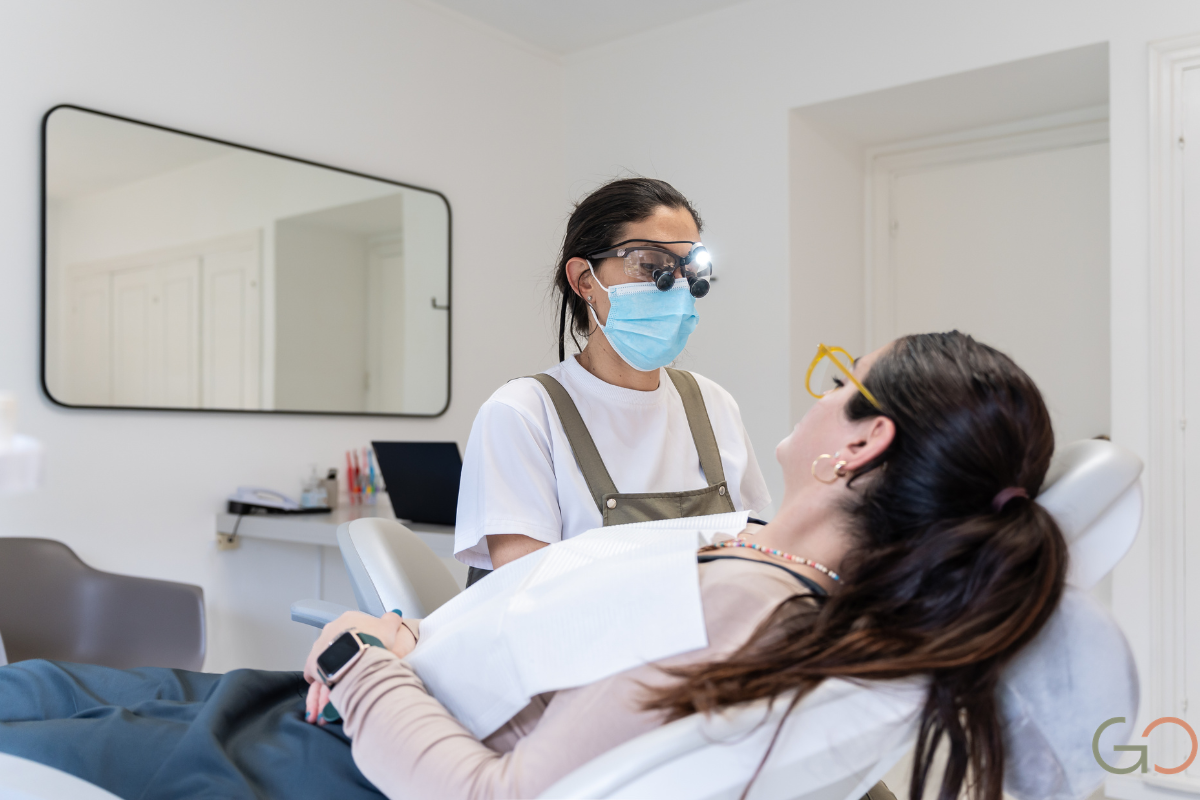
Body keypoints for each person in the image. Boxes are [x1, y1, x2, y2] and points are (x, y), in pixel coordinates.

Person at [0, 331, 1067, 800]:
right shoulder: (758, 560)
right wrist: (411, 645)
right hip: (340, 710)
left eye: (841, 379)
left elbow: (492, 787)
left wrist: (369, 656)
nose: (815, 391)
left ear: (860, 443)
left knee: (32, 701)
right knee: (38, 684)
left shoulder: (743, 607)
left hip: (330, 754)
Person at [454, 177, 771, 584]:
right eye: (650, 266)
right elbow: (526, 595)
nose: (673, 287)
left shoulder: (714, 404)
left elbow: (756, 550)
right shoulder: (522, 414)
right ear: (585, 280)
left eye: (687, 269)